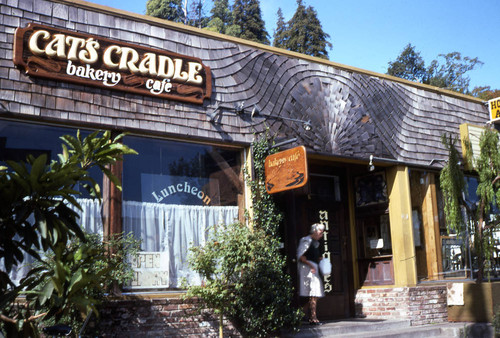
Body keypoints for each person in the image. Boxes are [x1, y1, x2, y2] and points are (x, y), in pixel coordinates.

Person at [297, 223, 325, 325]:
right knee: (313, 293)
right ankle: (313, 317)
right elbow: (301, 257)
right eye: (320, 232)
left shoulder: (316, 243)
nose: (321, 234)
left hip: (314, 269)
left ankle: (302, 314)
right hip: (307, 270)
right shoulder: (305, 240)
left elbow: (318, 256)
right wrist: (311, 265)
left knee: (315, 293)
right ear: (315, 231)